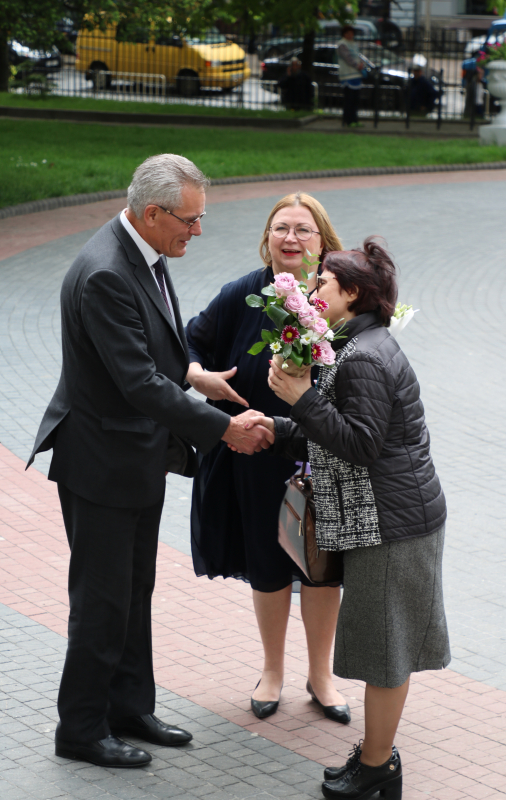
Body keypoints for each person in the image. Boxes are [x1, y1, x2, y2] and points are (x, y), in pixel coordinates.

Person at [26, 154, 273, 769]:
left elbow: (143, 353)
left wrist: (194, 375)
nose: (198, 231)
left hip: (133, 457)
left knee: (135, 589)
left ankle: (129, 707)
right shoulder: (108, 272)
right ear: (153, 212)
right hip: (102, 464)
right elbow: (137, 382)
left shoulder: (143, 252)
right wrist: (224, 430)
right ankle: (81, 729)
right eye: (189, 220)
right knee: (102, 600)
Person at [265, 239, 450, 800]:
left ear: (352, 293)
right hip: (389, 519)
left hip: (395, 527)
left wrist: (299, 400)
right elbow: (341, 427)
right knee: (381, 646)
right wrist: (278, 426)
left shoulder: (365, 355)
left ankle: (377, 769)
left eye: (323, 282)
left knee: (386, 652)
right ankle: (375, 759)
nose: (313, 289)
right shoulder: (356, 343)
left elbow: (361, 445)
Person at [186, 192, 351, 723]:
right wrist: (197, 376)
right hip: (257, 453)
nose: (291, 239)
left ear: (322, 241)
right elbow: (184, 342)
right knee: (267, 560)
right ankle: (273, 670)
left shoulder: (341, 298)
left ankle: (321, 674)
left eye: (303, 230)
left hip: (326, 455)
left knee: (323, 569)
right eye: (281, 228)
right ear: (267, 236)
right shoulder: (242, 295)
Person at [337, 24, 366, 127]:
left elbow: (357, 56)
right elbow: (347, 58)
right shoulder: (342, 44)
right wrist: (357, 65)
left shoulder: (354, 44)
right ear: (344, 34)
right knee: (349, 100)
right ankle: (348, 120)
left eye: (352, 33)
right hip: (347, 75)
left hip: (356, 75)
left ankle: (354, 119)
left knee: (355, 100)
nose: (350, 35)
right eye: (348, 33)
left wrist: (361, 64)